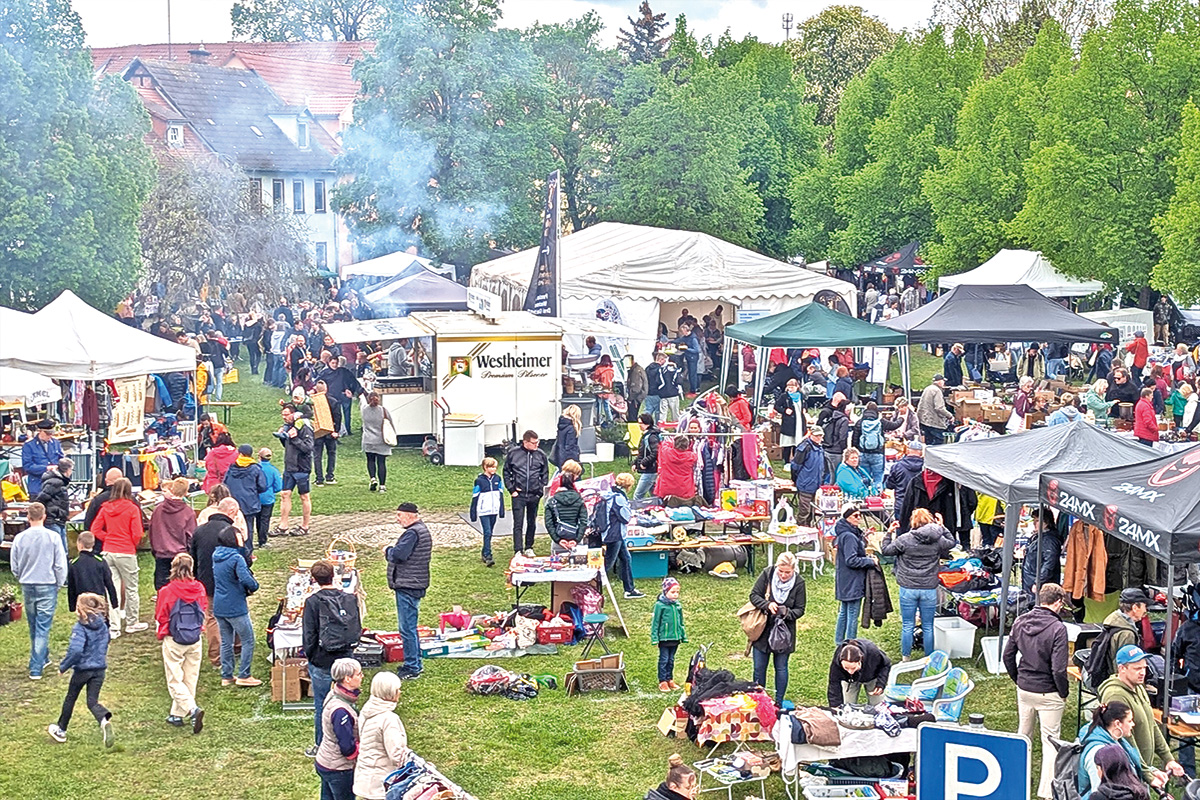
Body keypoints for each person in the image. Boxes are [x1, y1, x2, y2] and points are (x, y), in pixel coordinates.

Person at [1003, 583, 1070, 799]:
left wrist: (1017, 679)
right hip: (1049, 692)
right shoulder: (1058, 629)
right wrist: (1063, 692)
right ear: (1058, 602)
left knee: (1023, 735)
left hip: (1025, 688)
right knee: (1050, 741)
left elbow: (1007, 655)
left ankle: (1014, 778)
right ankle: (1047, 792)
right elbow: (1059, 669)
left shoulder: (1020, 621)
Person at [1097, 645, 1184, 785]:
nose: (1142, 672)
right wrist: (1147, 774)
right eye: (1137, 669)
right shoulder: (1115, 695)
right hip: (1127, 772)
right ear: (1122, 669)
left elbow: (1152, 724)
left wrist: (1168, 758)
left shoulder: (1138, 688)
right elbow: (1125, 741)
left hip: (1141, 770)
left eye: (1144, 668)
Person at [303, 560, 363, 756]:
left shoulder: (312, 602)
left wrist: (311, 656)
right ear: (334, 576)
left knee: (322, 704)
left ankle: (321, 745)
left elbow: (309, 634)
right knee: (349, 701)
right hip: (345, 655)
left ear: (314, 579)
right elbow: (356, 625)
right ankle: (355, 739)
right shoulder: (349, 598)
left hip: (322, 659)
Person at [880, 508, 956, 659]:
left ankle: (906, 658)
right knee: (928, 626)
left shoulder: (905, 539)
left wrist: (889, 533)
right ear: (930, 520)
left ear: (913, 521)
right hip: (928, 588)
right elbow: (952, 543)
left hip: (908, 587)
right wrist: (942, 526)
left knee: (908, 625)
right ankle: (929, 658)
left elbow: (886, 550)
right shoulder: (938, 539)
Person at [46, 593, 112, 747]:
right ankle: (104, 719)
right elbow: (107, 640)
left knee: (71, 698)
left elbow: (76, 651)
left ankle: (61, 730)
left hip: (83, 670)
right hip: (99, 669)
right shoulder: (103, 625)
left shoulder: (80, 627)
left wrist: (64, 666)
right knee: (92, 701)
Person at [10, 502, 67, 680]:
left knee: (34, 624)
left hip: (28, 583)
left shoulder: (20, 538)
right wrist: (59, 583)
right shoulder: (53, 537)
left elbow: (14, 564)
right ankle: (36, 667)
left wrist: (21, 576)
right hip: (47, 583)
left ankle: (43, 657)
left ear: (28, 517)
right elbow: (60, 564)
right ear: (44, 516)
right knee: (43, 625)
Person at [154, 553, 207, 734]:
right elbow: (204, 609)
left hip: (174, 637)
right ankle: (176, 714)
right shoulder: (199, 588)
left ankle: (192, 710)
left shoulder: (166, 591)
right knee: (190, 677)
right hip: (195, 637)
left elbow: (161, 615)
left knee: (175, 679)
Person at [749, 551, 806, 706]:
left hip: (784, 632)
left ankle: (779, 702)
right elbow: (754, 595)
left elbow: (800, 609)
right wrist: (767, 605)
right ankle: (760, 701)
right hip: (763, 630)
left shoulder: (799, 583)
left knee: (781, 668)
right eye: (780, 571)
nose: (783, 575)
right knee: (759, 668)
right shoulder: (767, 574)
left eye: (787, 572)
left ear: (794, 570)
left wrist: (787, 613)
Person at [91, 478, 148, 635]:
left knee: (112, 590)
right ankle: (131, 622)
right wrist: (132, 543)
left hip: (108, 551)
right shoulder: (132, 508)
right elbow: (137, 533)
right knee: (131, 588)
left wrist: (107, 537)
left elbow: (95, 529)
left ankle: (114, 627)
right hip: (126, 551)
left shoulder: (105, 507)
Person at [386, 502, 432, 680]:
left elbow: (398, 555)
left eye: (399, 515)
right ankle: (414, 662)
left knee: (407, 628)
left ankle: (413, 666)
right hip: (415, 582)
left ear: (410, 515)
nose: (397, 519)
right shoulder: (421, 530)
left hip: (408, 585)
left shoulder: (412, 533)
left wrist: (387, 550)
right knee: (409, 627)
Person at [212, 526, 261, 687]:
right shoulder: (236, 558)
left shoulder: (216, 555)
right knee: (248, 640)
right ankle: (244, 674)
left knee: (227, 641)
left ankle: (226, 675)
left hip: (219, 604)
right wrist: (254, 586)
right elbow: (246, 579)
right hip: (235, 605)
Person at [189, 504, 234, 667]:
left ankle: (216, 656)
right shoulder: (231, 531)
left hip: (206, 579)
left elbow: (192, 556)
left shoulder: (199, 531)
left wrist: (195, 576)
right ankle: (237, 646)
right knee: (234, 614)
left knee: (212, 617)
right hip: (229, 581)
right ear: (231, 512)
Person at [353, 671, 408, 800]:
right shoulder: (389, 719)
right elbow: (397, 755)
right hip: (380, 784)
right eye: (397, 689)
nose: (400, 692)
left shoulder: (367, 710)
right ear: (389, 692)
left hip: (364, 779)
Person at [315, 657, 363, 800]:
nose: (362, 676)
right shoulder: (341, 711)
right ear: (347, 679)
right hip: (338, 769)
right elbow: (347, 749)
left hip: (325, 761)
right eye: (359, 674)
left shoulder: (333, 694)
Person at [1078, 702, 1147, 798]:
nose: (1133, 724)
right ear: (1117, 723)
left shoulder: (1116, 740)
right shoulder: (1097, 753)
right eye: (1130, 721)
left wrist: (1152, 772)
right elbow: (1098, 792)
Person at [833, 505, 878, 644]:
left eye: (860, 515)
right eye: (855, 516)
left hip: (844, 578)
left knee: (844, 612)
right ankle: (849, 645)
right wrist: (870, 561)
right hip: (852, 580)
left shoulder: (845, 532)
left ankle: (840, 642)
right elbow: (851, 560)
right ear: (847, 517)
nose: (859, 518)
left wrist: (864, 538)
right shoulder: (849, 536)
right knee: (852, 614)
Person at [503, 430, 548, 557]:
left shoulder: (541, 455)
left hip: (534, 494)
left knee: (532, 522)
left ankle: (529, 546)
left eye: (537, 442)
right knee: (518, 522)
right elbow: (506, 472)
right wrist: (511, 489)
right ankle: (518, 549)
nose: (536, 445)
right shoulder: (514, 453)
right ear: (525, 442)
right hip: (519, 494)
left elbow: (544, 473)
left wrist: (540, 490)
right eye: (533, 443)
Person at [148, 477, 197, 590]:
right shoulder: (188, 512)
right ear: (186, 493)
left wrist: (155, 549)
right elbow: (191, 536)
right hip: (181, 556)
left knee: (162, 590)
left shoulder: (157, 510)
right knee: (181, 589)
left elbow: (152, 531)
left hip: (161, 553)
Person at [601, 473, 643, 599]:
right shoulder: (619, 497)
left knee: (626, 558)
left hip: (612, 532)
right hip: (615, 534)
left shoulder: (610, 493)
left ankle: (629, 589)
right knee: (608, 563)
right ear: (628, 485)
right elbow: (625, 518)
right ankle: (593, 587)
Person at [275, 404, 314, 537]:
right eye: (283, 414)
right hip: (289, 467)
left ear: (294, 414)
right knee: (285, 494)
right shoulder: (289, 427)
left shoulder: (304, 427)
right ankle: (283, 525)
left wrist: (295, 438)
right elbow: (288, 446)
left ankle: (305, 526)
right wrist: (283, 437)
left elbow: (308, 447)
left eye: (286, 414)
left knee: (304, 496)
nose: (284, 417)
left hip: (302, 467)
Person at [1098, 588, 1151, 681]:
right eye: (1144, 606)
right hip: (1118, 682)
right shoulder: (1127, 634)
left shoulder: (1114, 620)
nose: (1145, 610)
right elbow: (1125, 665)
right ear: (1135, 608)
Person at [224, 445, 266, 551]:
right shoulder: (255, 468)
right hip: (250, 502)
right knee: (248, 527)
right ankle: (247, 550)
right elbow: (262, 486)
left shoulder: (231, 468)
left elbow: (225, 483)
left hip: (234, 502)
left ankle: (234, 546)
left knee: (233, 526)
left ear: (240, 454)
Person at [67, 531, 118, 619]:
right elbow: (109, 582)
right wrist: (114, 602)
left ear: (79, 544)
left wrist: (72, 606)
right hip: (99, 599)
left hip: (83, 601)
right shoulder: (100, 561)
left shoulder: (74, 564)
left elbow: (71, 587)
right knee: (102, 621)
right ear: (93, 544)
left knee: (85, 621)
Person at [827, 638, 891, 708]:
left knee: (878, 707)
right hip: (849, 680)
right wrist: (835, 708)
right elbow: (833, 685)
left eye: (853, 668)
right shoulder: (837, 661)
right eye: (846, 668)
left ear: (860, 660)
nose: (850, 671)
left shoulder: (872, 651)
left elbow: (886, 665)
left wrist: (881, 684)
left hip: (872, 677)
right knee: (847, 706)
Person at [651, 576, 686, 692]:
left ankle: (670, 678)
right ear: (665, 592)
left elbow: (681, 622)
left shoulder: (677, 606)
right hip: (664, 639)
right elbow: (655, 622)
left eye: (677, 592)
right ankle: (662, 681)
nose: (675, 594)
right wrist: (655, 638)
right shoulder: (660, 606)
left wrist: (682, 635)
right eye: (672, 592)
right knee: (664, 659)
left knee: (671, 660)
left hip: (675, 638)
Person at [470, 456, 505, 567]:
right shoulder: (479, 481)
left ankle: (484, 552)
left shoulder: (498, 479)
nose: (493, 469)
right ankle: (488, 555)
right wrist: (473, 513)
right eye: (491, 467)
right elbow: (475, 497)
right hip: (484, 511)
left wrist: (501, 510)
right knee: (487, 532)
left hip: (494, 510)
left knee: (490, 534)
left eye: (495, 467)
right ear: (485, 467)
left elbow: (501, 494)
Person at [1021, 508, 1064, 596]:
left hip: (1041, 585)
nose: (1034, 523)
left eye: (1037, 520)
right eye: (1034, 520)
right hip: (1031, 580)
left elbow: (1049, 564)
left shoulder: (1049, 540)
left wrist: (1038, 582)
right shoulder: (1038, 536)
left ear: (1046, 523)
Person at [35, 457, 73, 555]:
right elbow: (41, 498)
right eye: (71, 469)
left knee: (61, 551)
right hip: (54, 520)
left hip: (58, 520)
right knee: (59, 552)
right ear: (67, 470)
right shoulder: (56, 482)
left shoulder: (58, 481)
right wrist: (54, 512)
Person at [789, 427, 826, 526]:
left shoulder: (820, 448)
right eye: (817, 435)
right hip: (805, 483)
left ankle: (809, 530)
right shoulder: (804, 447)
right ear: (811, 435)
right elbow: (795, 466)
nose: (819, 438)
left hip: (816, 484)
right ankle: (800, 530)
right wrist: (795, 479)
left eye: (820, 436)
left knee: (813, 511)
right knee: (804, 511)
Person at [21, 418, 65, 497]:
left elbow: (61, 459)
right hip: (38, 486)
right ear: (40, 431)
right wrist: (46, 468)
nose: (50, 436)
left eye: (52, 433)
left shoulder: (56, 443)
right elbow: (27, 466)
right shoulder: (29, 446)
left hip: (55, 486)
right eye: (48, 433)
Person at [360, 392, 394, 493]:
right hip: (381, 440)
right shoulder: (384, 411)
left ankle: (373, 478)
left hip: (368, 440)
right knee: (381, 462)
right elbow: (390, 424)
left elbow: (362, 401)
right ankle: (382, 486)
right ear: (378, 399)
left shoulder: (364, 410)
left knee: (370, 460)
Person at [545, 471, 586, 554]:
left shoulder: (551, 501)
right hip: (576, 541)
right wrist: (577, 540)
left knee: (557, 565)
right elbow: (584, 521)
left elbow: (549, 523)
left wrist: (558, 539)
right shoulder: (580, 500)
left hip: (558, 541)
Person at [311, 381, 341, 486]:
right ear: (326, 389)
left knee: (317, 455)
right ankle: (330, 476)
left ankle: (319, 479)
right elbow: (338, 416)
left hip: (318, 431)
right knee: (331, 454)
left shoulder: (312, 401)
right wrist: (336, 430)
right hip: (330, 431)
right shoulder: (333, 401)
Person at [655, 435, 699, 503]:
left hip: (666, 487)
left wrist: (670, 440)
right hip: (685, 489)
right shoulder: (692, 456)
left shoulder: (667, 453)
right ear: (687, 446)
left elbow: (664, 444)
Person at [885, 441, 924, 517]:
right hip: (920, 505)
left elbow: (889, 485)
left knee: (901, 527)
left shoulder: (897, 466)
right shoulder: (926, 467)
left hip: (901, 504)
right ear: (921, 452)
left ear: (908, 451)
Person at [771, 378, 805, 463]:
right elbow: (776, 406)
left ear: (797, 387)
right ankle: (786, 461)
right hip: (788, 423)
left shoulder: (801, 395)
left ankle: (795, 460)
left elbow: (804, 404)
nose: (790, 389)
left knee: (797, 443)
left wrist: (804, 409)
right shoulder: (784, 396)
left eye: (792, 387)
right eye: (789, 387)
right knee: (787, 444)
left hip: (799, 422)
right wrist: (784, 411)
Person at [82, 468, 124, 532]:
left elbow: (88, 525)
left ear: (106, 481)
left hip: (102, 540)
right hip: (127, 540)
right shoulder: (131, 500)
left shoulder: (97, 500)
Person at [256, 448, 282, 548]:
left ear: (259, 457)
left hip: (256, 497)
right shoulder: (273, 470)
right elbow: (278, 486)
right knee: (265, 519)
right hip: (268, 498)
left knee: (257, 519)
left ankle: (258, 538)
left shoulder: (256, 468)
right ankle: (263, 541)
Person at [917, 374, 954, 444]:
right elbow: (939, 408)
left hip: (924, 421)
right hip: (934, 422)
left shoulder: (928, 388)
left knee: (928, 443)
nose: (944, 383)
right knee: (938, 444)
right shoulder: (937, 391)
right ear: (940, 382)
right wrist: (950, 416)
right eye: (943, 381)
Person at [633, 413, 662, 502]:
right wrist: (635, 463)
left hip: (650, 470)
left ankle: (635, 511)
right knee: (654, 495)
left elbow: (655, 452)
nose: (639, 426)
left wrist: (644, 462)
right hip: (651, 469)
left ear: (647, 423)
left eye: (641, 423)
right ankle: (659, 507)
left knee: (637, 496)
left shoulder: (651, 437)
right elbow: (642, 452)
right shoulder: (647, 435)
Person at [674, 322, 702, 396]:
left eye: (682, 331)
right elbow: (679, 340)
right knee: (691, 374)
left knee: (693, 374)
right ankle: (693, 389)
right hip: (689, 357)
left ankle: (694, 390)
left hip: (693, 358)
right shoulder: (686, 337)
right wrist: (669, 341)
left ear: (686, 330)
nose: (682, 333)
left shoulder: (693, 338)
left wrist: (687, 349)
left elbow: (697, 350)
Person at [551, 404, 582, 469]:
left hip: (560, 455)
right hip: (569, 458)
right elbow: (570, 446)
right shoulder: (571, 428)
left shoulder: (561, 424)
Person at [656, 351, 683, 423]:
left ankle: (662, 427)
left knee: (663, 412)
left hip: (663, 394)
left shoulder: (661, 370)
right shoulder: (675, 371)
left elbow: (658, 381)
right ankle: (676, 426)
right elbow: (679, 381)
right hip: (673, 393)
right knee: (675, 412)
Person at [626, 355, 648, 419]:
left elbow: (636, 388)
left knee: (632, 416)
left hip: (636, 397)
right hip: (639, 396)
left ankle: (633, 428)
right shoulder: (637, 369)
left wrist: (631, 398)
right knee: (633, 415)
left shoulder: (635, 371)